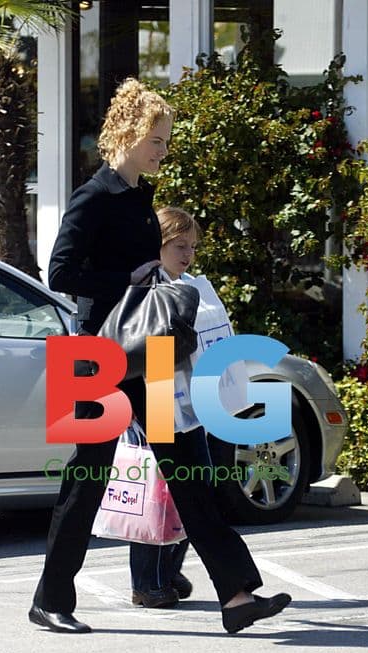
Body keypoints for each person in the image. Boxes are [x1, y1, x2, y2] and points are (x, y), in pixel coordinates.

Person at [29, 77, 292, 635]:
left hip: (146, 353)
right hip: (96, 354)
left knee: (190, 467)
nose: (163, 150)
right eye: (158, 139)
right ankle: (50, 599)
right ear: (127, 132)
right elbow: (60, 273)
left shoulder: (140, 198)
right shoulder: (94, 196)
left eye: (166, 140)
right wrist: (127, 275)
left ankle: (238, 595)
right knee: (87, 476)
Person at [129, 207, 205, 608]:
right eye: (179, 245)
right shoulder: (144, 285)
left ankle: (169, 567)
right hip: (155, 391)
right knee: (159, 491)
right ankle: (148, 580)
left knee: (196, 484)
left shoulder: (188, 285)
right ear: (157, 245)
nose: (188, 254)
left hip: (187, 396)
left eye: (192, 247)